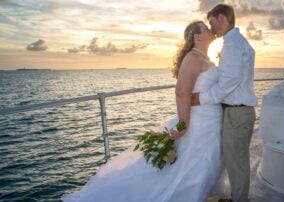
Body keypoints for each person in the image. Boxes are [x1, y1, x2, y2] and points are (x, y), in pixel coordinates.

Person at [63, 20, 227, 202]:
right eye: (205, 28)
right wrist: (183, 124)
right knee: (195, 167)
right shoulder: (193, 58)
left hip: (212, 119)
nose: (210, 30)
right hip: (198, 122)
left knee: (204, 166)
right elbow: (182, 92)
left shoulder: (205, 58)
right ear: (197, 36)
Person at [191, 4, 257, 202]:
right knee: (237, 160)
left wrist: (200, 98)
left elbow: (227, 85)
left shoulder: (233, 45)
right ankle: (238, 196)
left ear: (222, 18)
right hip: (240, 111)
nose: (212, 28)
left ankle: (240, 199)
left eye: (212, 22)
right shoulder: (238, 42)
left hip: (236, 113)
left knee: (236, 162)